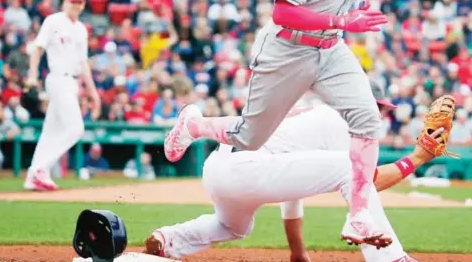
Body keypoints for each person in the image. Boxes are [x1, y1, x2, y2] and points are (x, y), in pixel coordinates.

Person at [165, 0, 390, 246]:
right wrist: (340, 20)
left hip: (330, 49)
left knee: (367, 119)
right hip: (287, 52)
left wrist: (346, 13)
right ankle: (194, 124)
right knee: (249, 138)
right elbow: (283, 12)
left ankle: (359, 217)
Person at [148, 80, 436, 262]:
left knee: (232, 226)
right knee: (352, 169)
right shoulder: (338, 120)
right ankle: (390, 258)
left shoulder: (313, 118)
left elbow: (292, 192)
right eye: (375, 107)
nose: (378, 114)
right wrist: (417, 158)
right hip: (246, 168)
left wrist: (297, 251)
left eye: (381, 109)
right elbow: (367, 181)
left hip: (220, 170)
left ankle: (170, 239)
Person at [23, 0, 100, 191]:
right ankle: (41, 168)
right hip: (58, 78)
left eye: (79, 2)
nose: (75, 5)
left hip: (71, 81)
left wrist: (93, 94)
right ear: (65, 2)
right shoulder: (53, 21)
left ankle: (33, 176)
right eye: (72, 1)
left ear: (83, 5)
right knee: (76, 129)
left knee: (50, 131)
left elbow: (83, 64)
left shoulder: (81, 29)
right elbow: (37, 48)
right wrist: (32, 75)